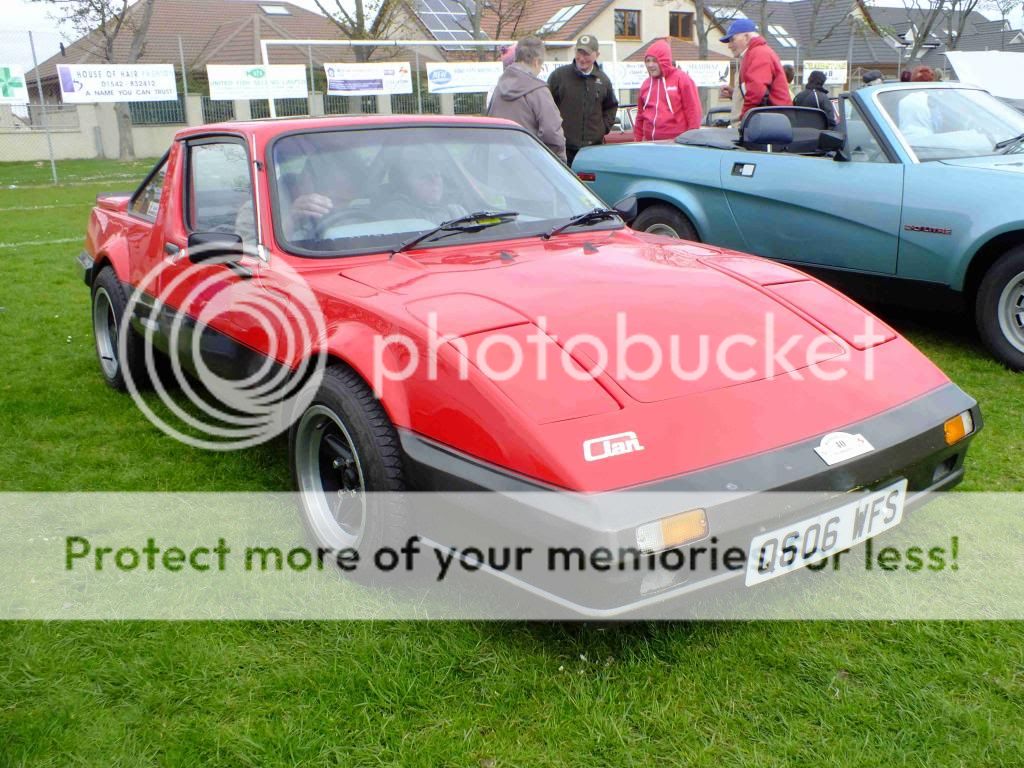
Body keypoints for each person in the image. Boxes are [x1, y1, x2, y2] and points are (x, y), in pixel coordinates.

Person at [487, 36, 567, 162]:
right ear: (536, 62)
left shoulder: (498, 89)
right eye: (541, 65)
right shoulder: (538, 91)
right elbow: (552, 134)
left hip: (499, 162)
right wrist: (560, 163)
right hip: (531, 165)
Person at [548, 34, 618, 165]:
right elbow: (546, 107)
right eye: (579, 53)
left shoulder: (603, 80)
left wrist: (602, 129)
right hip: (563, 150)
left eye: (586, 54)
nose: (582, 58)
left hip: (593, 150)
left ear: (596, 55)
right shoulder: (559, 76)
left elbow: (611, 107)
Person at [717, 18, 791, 124]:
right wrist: (735, 94)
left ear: (746, 37)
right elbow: (758, 91)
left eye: (732, 40)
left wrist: (745, 120)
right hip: (772, 120)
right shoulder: (755, 53)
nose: (729, 45)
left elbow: (757, 91)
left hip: (770, 124)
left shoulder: (759, 53)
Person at [633, 39, 702, 141]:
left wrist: (691, 141)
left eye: (655, 60)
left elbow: (693, 112)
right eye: (647, 61)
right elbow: (640, 116)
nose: (650, 65)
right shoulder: (646, 85)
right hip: (650, 145)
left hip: (676, 144)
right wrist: (637, 141)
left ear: (664, 61)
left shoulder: (682, 79)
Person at [380, 160, 468, 224]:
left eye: (437, 175)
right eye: (425, 177)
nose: (434, 180)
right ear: (406, 185)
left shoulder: (457, 211)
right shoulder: (396, 211)